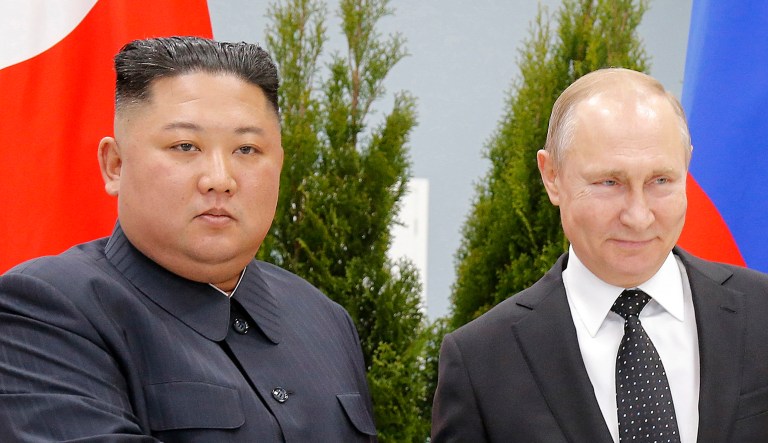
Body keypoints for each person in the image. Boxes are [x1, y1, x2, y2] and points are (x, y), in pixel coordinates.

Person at [0, 36, 376, 441]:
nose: (220, 179)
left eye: (247, 149)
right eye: (185, 146)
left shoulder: (322, 318)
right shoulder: (45, 309)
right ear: (115, 165)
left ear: (279, 164)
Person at [431, 68, 768, 442]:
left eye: (661, 181)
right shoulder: (482, 362)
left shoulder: (762, 312)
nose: (639, 216)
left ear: (687, 165)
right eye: (610, 183)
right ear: (552, 176)